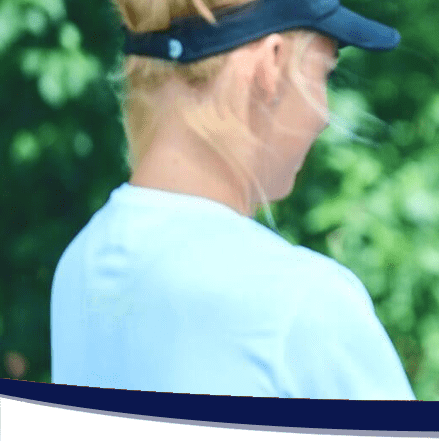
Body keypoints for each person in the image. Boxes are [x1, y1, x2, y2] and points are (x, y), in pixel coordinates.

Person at [51, 0, 415, 400]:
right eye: (324, 74)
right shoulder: (302, 303)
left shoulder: (79, 267)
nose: (324, 116)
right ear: (271, 65)